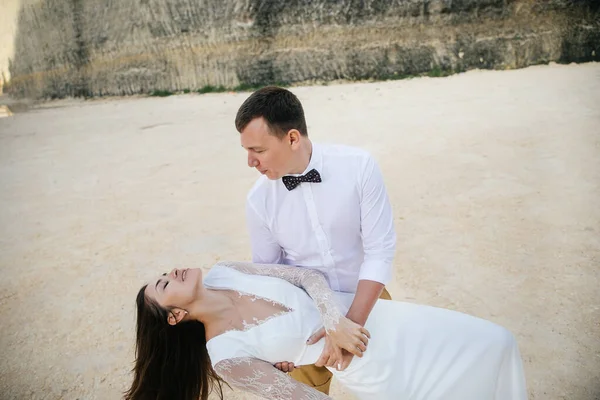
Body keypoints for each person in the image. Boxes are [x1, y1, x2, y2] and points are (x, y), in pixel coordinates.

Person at [124, 261, 528, 400]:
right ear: (174, 317)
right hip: (369, 362)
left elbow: (304, 275)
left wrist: (335, 322)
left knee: (496, 341)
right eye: (164, 284)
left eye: (163, 274)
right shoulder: (227, 356)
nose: (170, 272)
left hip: (382, 322)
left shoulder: (224, 270)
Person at [235, 85, 396, 394]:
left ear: (292, 138)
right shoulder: (259, 200)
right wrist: (273, 345)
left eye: (258, 150)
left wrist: (348, 328)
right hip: (304, 319)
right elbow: (270, 275)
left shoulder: (359, 166)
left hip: (368, 302)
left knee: (392, 389)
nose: (250, 162)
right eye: (246, 151)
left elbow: (380, 251)